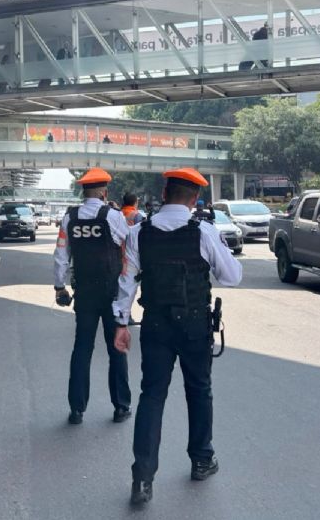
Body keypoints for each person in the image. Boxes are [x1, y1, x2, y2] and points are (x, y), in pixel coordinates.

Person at [113, 168, 243, 506]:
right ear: (195, 199)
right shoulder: (205, 232)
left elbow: (127, 283)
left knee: (152, 396)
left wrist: (121, 324)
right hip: (195, 325)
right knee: (199, 391)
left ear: (165, 193)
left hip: (155, 324)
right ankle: (202, 460)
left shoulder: (138, 233)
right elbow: (231, 277)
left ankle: (142, 479)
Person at [54, 168, 132, 425]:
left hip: (84, 292)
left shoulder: (70, 217)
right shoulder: (112, 215)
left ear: (84, 191)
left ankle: (77, 409)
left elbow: (61, 255)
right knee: (116, 349)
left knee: (82, 348)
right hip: (111, 292)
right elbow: (128, 241)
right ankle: (121, 406)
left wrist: (59, 287)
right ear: (103, 191)